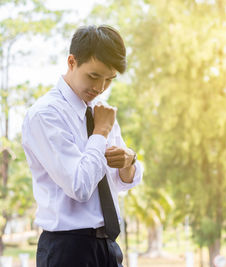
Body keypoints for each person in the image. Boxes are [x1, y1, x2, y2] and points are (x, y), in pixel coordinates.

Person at [21, 25, 143, 267]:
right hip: (67, 250)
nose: (99, 88)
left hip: (108, 247)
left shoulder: (100, 112)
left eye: (109, 79)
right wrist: (100, 132)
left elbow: (116, 183)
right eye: (93, 76)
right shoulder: (46, 115)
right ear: (71, 62)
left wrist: (128, 162)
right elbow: (79, 186)